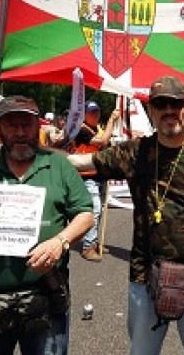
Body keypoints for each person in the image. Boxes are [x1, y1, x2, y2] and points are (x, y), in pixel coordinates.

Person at [67, 76, 184, 355]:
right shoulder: (135, 152)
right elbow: (81, 161)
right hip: (146, 276)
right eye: (160, 104)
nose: (169, 110)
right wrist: (30, 154)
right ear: (152, 111)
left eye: (176, 103)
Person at [0, 95, 94, 354]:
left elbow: (85, 214)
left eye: (26, 125)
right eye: (11, 125)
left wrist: (59, 242)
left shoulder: (58, 165)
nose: (20, 132)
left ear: (38, 127)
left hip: (44, 299)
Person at [73, 101, 119, 261]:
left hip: (99, 174)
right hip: (86, 175)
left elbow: (105, 145)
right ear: (84, 114)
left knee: (100, 211)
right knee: (94, 210)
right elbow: (101, 142)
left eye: (97, 112)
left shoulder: (97, 129)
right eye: (91, 112)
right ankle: (88, 247)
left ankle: (94, 241)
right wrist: (112, 120)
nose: (95, 115)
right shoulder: (81, 129)